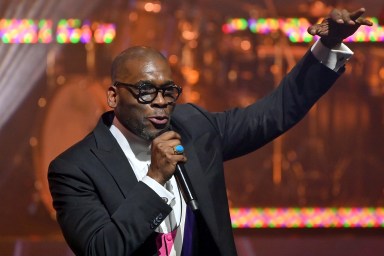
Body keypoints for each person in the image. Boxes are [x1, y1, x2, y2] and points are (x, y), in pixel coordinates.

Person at [48, 7, 372, 256]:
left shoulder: (195, 128)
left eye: (168, 91)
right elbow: (102, 249)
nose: (161, 103)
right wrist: (154, 180)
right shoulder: (74, 169)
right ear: (113, 97)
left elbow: (273, 113)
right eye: (145, 91)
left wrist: (327, 46)